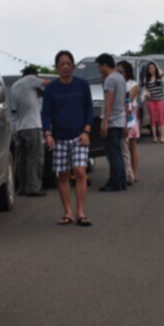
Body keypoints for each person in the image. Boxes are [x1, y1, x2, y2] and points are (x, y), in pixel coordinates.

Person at [42, 50, 94, 227]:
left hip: (79, 136)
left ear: (73, 66)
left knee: (80, 172)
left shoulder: (82, 85)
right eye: (62, 64)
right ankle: (67, 213)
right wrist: (47, 134)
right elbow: (46, 114)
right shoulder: (51, 89)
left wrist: (86, 131)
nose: (65, 67)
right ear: (57, 67)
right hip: (59, 137)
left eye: (68, 64)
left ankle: (81, 212)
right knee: (63, 175)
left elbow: (89, 109)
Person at [12, 67, 50, 197]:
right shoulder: (30, 79)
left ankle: (22, 187)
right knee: (35, 159)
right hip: (32, 126)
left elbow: (34, 95)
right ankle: (33, 188)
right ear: (33, 75)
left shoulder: (16, 85)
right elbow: (48, 83)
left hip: (20, 127)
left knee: (22, 160)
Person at [96, 53, 127, 192]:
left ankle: (114, 182)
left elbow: (109, 102)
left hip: (112, 121)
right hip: (120, 119)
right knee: (118, 153)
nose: (98, 69)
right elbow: (125, 100)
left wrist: (105, 123)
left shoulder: (110, 80)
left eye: (99, 66)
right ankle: (121, 182)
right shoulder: (120, 78)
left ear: (104, 64)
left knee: (112, 154)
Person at [117, 60, 140, 185]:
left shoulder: (133, 84)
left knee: (132, 146)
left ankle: (134, 173)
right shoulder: (117, 82)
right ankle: (127, 173)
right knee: (123, 148)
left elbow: (128, 99)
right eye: (117, 71)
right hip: (120, 115)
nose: (119, 73)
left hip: (130, 117)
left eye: (121, 71)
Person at [143, 61, 164, 143]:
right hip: (151, 101)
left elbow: (162, 73)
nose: (151, 69)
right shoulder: (147, 79)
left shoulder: (159, 77)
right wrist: (147, 92)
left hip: (160, 100)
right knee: (152, 119)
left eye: (152, 67)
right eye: (149, 68)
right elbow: (146, 89)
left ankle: (162, 137)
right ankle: (155, 137)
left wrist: (157, 65)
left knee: (161, 119)